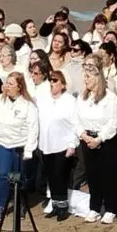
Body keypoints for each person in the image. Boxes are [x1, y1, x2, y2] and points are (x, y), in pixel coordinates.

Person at [76, 63, 117, 224]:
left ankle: (110, 208)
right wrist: (83, 135)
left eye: (88, 77)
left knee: (108, 175)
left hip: (106, 141)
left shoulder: (110, 98)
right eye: (84, 76)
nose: (85, 80)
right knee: (92, 175)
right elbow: (75, 118)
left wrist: (99, 139)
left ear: (97, 78)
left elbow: (115, 122)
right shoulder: (82, 98)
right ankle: (94, 207)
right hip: (87, 139)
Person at [37, 70, 78, 222]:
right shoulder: (43, 99)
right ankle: (55, 203)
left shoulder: (69, 101)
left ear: (63, 84)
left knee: (61, 175)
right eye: (50, 80)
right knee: (51, 175)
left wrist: (72, 144)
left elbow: (75, 123)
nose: (52, 83)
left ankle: (63, 206)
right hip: (46, 143)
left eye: (55, 80)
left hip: (63, 144)